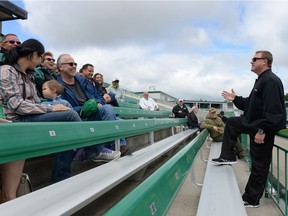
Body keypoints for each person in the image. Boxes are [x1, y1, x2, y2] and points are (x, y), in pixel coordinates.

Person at [0, 39, 82, 202]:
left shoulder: (28, 77)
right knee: (69, 115)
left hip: (26, 119)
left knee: (65, 108)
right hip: (14, 122)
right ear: (33, 55)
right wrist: (51, 108)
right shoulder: (6, 70)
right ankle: (87, 149)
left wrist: (53, 107)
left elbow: (36, 103)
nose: (40, 63)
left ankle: (81, 150)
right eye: (40, 58)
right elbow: (15, 104)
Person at [211, 50, 286, 208]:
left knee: (259, 165)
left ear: (264, 61)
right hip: (253, 123)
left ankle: (252, 199)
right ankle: (228, 156)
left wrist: (262, 130)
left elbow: (274, 111)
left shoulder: (271, 80)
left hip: (261, 129)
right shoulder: (261, 80)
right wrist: (235, 99)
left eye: (254, 59)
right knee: (231, 122)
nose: (251, 62)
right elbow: (251, 105)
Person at [56, 54, 124, 160]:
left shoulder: (82, 81)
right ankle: (102, 150)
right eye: (70, 64)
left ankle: (116, 148)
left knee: (119, 120)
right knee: (108, 109)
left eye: (75, 64)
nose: (74, 66)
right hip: (79, 117)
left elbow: (98, 95)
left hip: (94, 112)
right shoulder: (57, 84)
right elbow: (63, 107)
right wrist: (83, 109)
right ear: (61, 67)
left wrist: (99, 102)